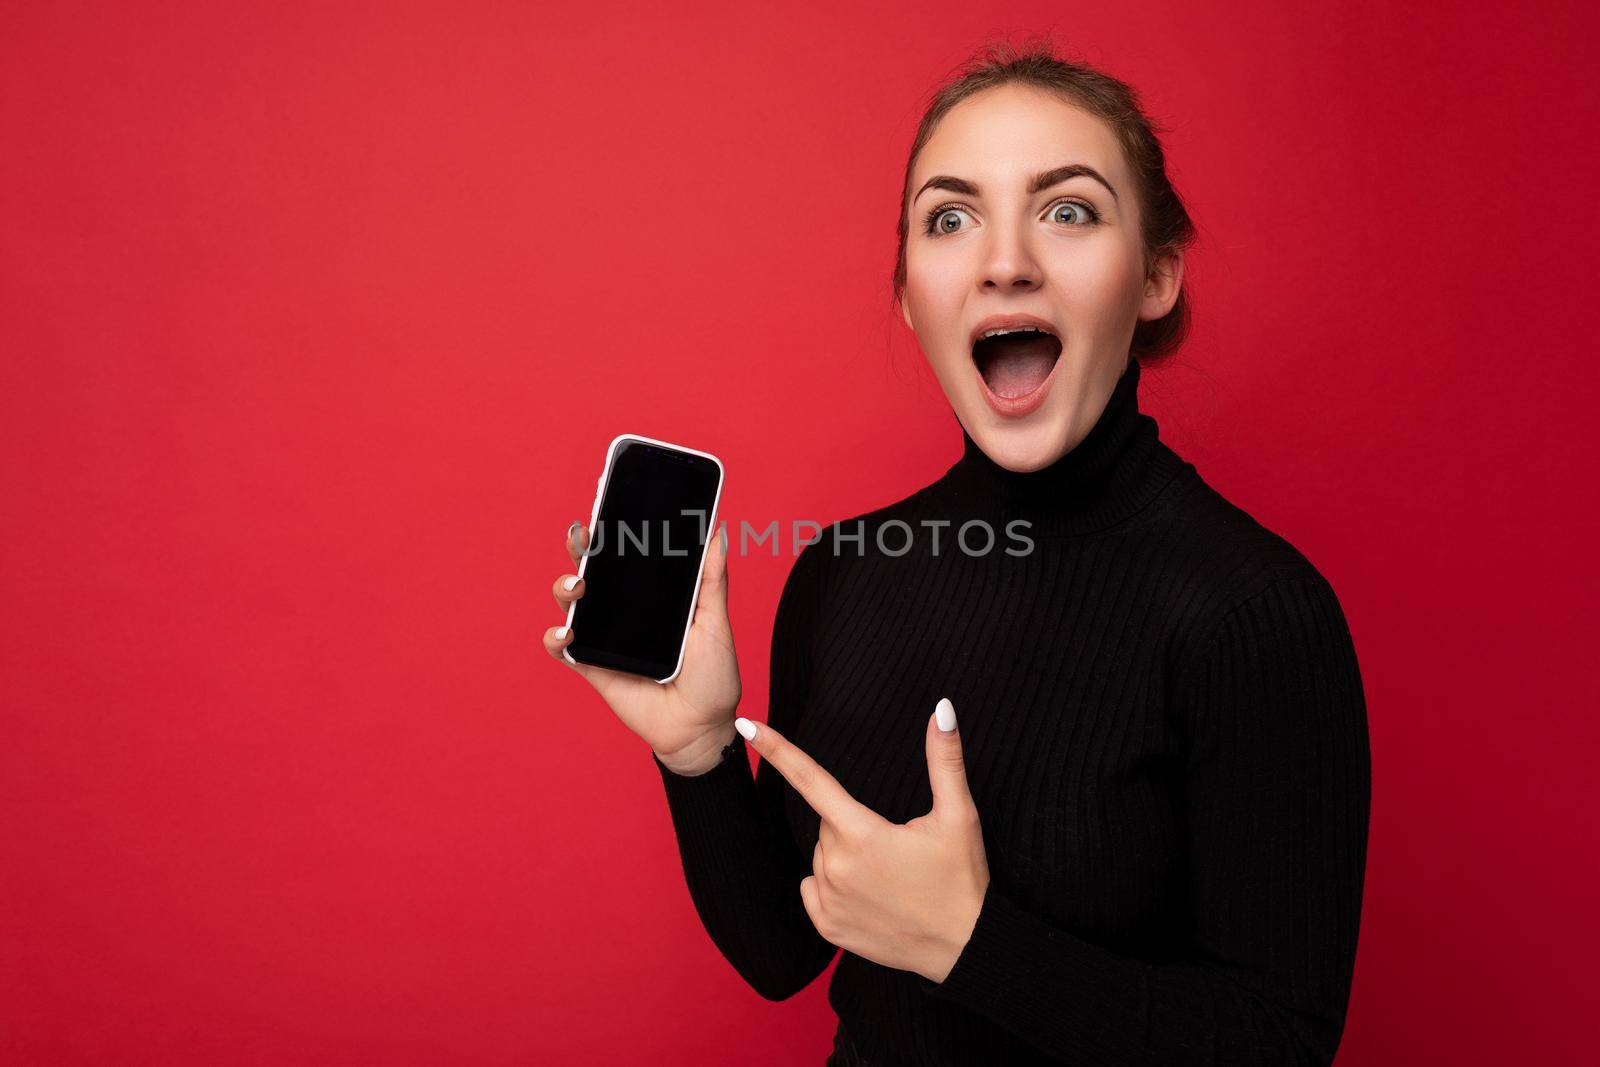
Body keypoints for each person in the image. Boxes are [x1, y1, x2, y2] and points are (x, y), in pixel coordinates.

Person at [544, 39, 1370, 1067]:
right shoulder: (844, 571)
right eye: (950, 216)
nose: (1005, 259)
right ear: (909, 293)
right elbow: (779, 950)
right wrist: (697, 749)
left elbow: (1277, 1042)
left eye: (1068, 210)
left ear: (1155, 274)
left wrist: (970, 945)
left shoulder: (1254, 611)